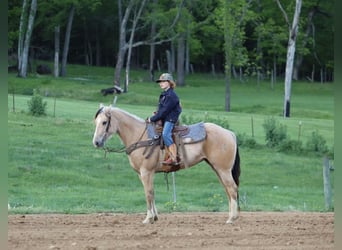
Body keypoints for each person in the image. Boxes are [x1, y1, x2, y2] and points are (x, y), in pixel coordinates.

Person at [147, 73, 182, 165]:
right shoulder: (165, 94)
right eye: (160, 82)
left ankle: (174, 157)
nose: (160, 83)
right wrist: (157, 113)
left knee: (166, 134)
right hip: (165, 118)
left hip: (170, 119)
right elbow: (162, 109)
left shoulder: (171, 95)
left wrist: (152, 119)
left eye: (163, 81)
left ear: (169, 82)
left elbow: (165, 111)